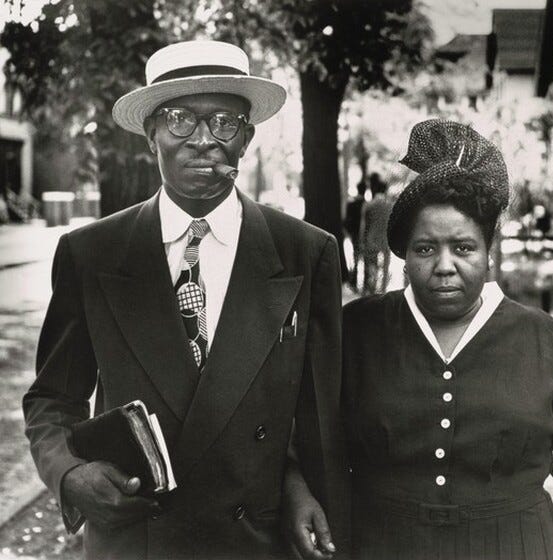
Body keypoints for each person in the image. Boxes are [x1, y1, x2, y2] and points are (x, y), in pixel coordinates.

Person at [23, 40, 349, 560]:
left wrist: (298, 484)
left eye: (224, 122)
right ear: (150, 133)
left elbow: (318, 419)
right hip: (137, 537)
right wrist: (70, 475)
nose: (202, 140)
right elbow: (52, 399)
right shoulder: (91, 253)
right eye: (178, 119)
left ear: (247, 138)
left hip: (256, 540)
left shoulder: (306, 253)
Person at [289, 120, 553, 559]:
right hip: (384, 546)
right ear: (404, 256)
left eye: (463, 248)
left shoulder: (541, 339)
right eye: (426, 249)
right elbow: (290, 435)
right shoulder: (357, 331)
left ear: (488, 252)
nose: (445, 265)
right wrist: (296, 492)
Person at [359, 172, 392, 294]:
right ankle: (383, 291)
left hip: (371, 239)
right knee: (385, 269)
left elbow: (363, 226)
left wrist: (361, 241)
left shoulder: (368, 205)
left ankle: (370, 290)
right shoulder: (390, 206)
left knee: (371, 267)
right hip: (386, 240)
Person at [343, 178, 367, 291]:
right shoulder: (367, 204)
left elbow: (346, 220)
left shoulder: (351, 204)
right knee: (366, 260)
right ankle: (366, 284)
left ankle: (354, 283)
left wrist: (348, 233)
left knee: (355, 258)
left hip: (354, 234)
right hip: (365, 235)